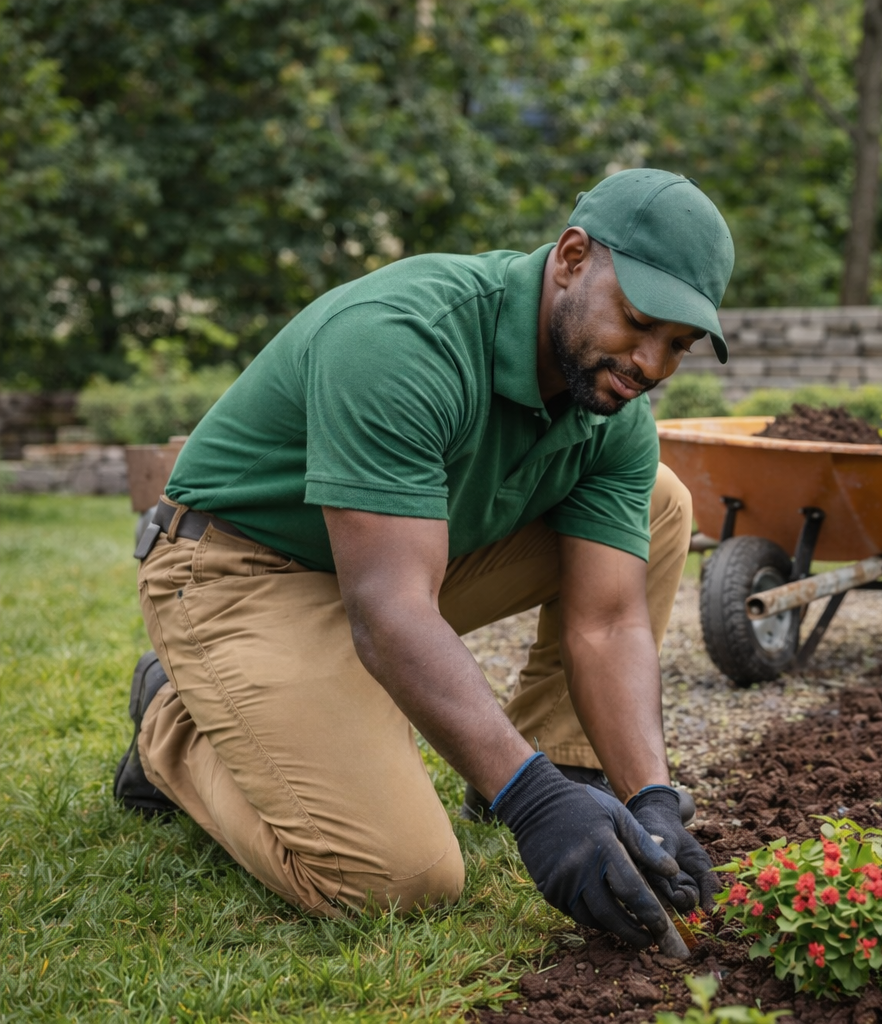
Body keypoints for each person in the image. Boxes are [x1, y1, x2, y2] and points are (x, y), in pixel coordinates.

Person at [112, 168, 732, 950]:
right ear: (572, 258)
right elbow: (391, 609)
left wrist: (651, 800)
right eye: (639, 322)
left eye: (678, 345)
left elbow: (608, 622)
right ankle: (173, 728)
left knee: (659, 500)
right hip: (240, 571)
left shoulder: (609, 405)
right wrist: (529, 802)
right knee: (397, 879)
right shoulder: (404, 338)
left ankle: (571, 771)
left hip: (394, 568)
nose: (649, 363)